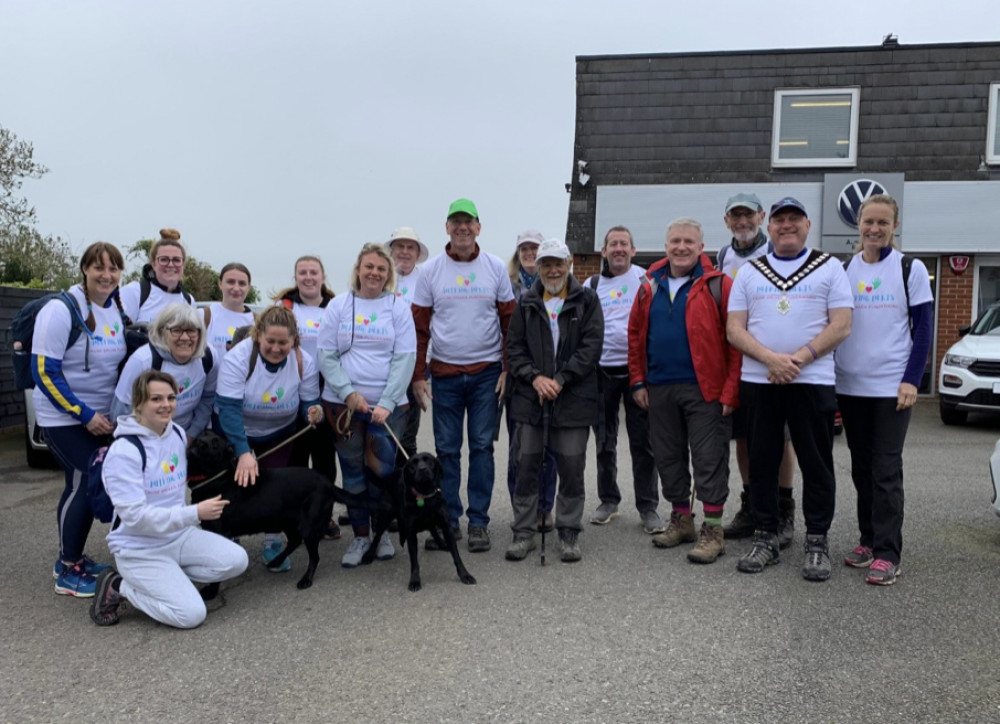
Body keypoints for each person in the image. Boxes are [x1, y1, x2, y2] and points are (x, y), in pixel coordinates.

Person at [726, 197, 853, 581]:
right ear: (771, 226)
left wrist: (797, 358)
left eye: (793, 219)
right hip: (761, 380)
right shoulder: (750, 272)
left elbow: (842, 325)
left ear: (807, 224)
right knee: (762, 459)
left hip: (811, 380)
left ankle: (817, 540)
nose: (786, 226)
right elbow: (734, 329)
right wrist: (771, 360)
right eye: (780, 220)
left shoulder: (829, 267)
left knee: (816, 463)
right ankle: (765, 535)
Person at [89, 370, 248, 628]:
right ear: (139, 403)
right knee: (191, 615)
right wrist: (194, 513)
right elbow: (136, 519)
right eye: (156, 399)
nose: (166, 405)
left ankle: (169, 580)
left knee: (237, 560)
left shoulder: (175, 433)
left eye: (171, 398)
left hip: (178, 536)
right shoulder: (124, 453)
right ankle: (119, 586)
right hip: (139, 549)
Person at [627, 219, 740, 564]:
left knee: (709, 459)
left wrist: (731, 391)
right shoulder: (648, 285)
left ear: (700, 246)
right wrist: (637, 381)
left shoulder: (720, 285)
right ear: (665, 246)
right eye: (675, 240)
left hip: (705, 388)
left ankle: (713, 529)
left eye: (688, 241)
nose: (681, 247)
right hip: (659, 388)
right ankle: (681, 519)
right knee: (668, 456)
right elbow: (634, 337)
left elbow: (735, 343)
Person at [835, 194, 933, 586]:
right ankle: (868, 539)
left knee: (886, 469)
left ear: (895, 226)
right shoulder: (844, 269)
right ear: (858, 224)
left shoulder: (910, 267)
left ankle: (889, 552)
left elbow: (924, 329)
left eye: (883, 222)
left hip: (892, 387)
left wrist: (912, 379)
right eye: (868, 221)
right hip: (851, 385)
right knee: (861, 467)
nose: (874, 229)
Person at [411, 198, 517, 553]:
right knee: (447, 451)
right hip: (445, 374)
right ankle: (449, 521)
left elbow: (508, 322)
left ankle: (479, 524)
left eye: (468, 222)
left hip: (487, 374)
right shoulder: (430, 272)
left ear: (478, 227)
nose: (462, 228)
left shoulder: (495, 267)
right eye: (455, 222)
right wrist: (418, 375)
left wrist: (507, 368)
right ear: (446, 228)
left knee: (483, 448)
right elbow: (420, 329)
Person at [33, 242, 128, 597]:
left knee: (81, 484)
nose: (106, 275)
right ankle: (68, 568)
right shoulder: (60, 310)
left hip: (102, 417)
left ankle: (70, 560)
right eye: (98, 268)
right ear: (84, 270)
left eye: (113, 269)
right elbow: (44, 370)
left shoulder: (113, 308)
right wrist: (83, 414)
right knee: (89, 479)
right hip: (63, 417)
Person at [504, 239, 604, 563]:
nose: (552, 270)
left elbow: (591, 348)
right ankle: (523, 532)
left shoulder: (587, 300)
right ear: (538, 267)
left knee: (572, 468)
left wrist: (561, 379)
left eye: (558, 263)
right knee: (527, 465)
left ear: (570, 263)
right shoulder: (527, 302)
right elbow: (514, 349)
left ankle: (568, 532)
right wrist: (535, 377)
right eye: (546, 264)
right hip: (531, 400)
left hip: (573, 399)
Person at [317, 243, 416, 567]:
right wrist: (348, 393)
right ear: (358, 269)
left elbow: (406, 357)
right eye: (369, 266)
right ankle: (360, 537)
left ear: (388, 275)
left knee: (382, 472)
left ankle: (381, 533)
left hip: (387, 408)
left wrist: (387, 401)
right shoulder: (339, 306)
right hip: (342, 407)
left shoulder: (397, 307)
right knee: (353, 472)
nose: (374, 273)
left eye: (381, 269)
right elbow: (326, 355)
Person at [717, 193, 799, 549]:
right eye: (736, 216)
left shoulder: (777, 251)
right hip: (736, 360)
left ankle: (783, 508)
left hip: (773, 362)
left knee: (780, 439)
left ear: (761, 217)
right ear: (727, 221)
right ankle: (751, 505)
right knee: (743, 437)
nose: (742, 222)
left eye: (748, 215)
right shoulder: (724, 255)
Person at [215, 306, 324, 571]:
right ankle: (228, 539)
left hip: (278, 433)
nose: (276, 348)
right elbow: (228, 409)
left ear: (294, 341)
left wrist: (313, 411)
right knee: (234, 486)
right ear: (258, 336)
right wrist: (242, 452)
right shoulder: (238, 358)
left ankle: (273, 541)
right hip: (236, 430)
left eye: (283, 343)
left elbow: (309, 401)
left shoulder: (303, 361)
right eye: (270, 342)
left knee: (273, 490)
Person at [584, 225, 663, 534]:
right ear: (603, 251)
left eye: (624, 244)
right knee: (605, 441)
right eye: (612, 244)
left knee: (644, 443)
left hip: (637, 373)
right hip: (601, 373)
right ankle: (609, 500)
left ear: (633, 250)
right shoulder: (591, 284)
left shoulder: (647, 280)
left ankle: (648, 506)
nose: (618, 248)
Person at [274, 255, 339, 533]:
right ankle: (296, 516)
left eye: (314, 272)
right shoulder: (284, 308)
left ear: (323, 277)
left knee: (325, 459)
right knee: (296, 459)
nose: (308, 277)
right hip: (292, 388)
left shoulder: (335, 308)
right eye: (303, 272)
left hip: (326, 389)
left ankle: (323, 517)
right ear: (296, 277)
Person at [505, 229, 557, 532]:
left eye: (534, 249)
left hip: (549, 380)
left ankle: (544, 508)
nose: (528, 253)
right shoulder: (507, 286)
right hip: (518, 379)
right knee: (520, 451)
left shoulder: (554, 287)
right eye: (524, 248)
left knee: (547, 450)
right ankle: (521, 508)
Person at [112, 304, 218, 442]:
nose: (185, 338)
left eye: (191, 331)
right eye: (176, 330)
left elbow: (207, 399)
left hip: (187, 436)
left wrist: (191, 436)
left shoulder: (208, 357)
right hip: (147, 438)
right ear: (162, 332)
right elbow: (121, 413)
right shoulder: (143, 361)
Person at [386, 227, 429, 461]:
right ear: (391, 251)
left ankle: (405, 492)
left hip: (412, 365)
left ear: (417, 252)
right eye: (399, 246)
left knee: (407, 436)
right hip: (380, 366)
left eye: (409, 247)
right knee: (381, 434)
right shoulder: (379, 277)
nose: (404, 251)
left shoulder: (425, 280)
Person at [119, 228, 196, 324]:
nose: (171, 265)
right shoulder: (135, 292)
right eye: (164, 259)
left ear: (183, 265)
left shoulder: (189, 301)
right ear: (153, 264)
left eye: (176, 260)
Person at [202, 262, 255, 361]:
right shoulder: (204, 315)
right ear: (220, 283)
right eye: (230, 282)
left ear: (248, 287)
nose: (236, 288)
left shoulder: (258, 322)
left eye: (242, 283)